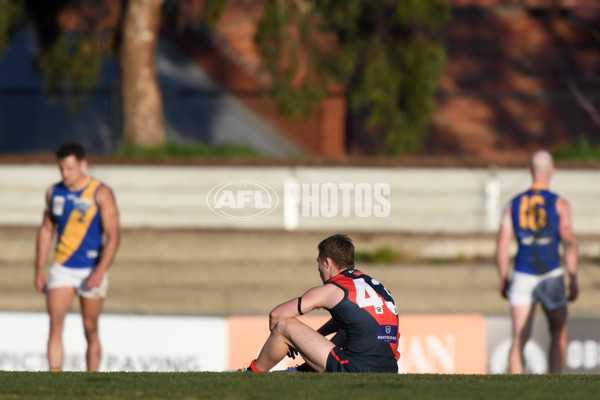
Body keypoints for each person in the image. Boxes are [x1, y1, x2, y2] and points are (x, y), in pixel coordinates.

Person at [242, 234, 400, 373]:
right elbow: (354, 321)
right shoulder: (373, 284)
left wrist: (288, 341)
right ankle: (305, 370)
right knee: (348, 330)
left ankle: (253, 372)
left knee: (284, 326)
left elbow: (277, 315)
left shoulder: (333, 289)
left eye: (318, 262)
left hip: (355, 367)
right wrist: (309, 340)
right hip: (389, 367)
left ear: (327, 262)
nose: (318, 269)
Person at [34, 142, 120, 371]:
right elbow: (46, 230)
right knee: (55, 322)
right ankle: (54, 380)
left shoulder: (100, 193)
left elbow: (113, 235)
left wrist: (100, 271)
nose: (66, 174)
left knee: (90, 327)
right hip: (62, 267)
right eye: (62, 169)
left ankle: (92, 379)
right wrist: (39, 269)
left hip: (90, 269)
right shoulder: (54, 192)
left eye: (70, 169)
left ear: (83, 164)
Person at [496, 149, 578, 374]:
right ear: (552, 171)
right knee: (558, 333)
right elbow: (569, 241)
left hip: (522, 273)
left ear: (529, 171)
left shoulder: (513, 204)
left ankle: (515, 391)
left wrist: (504, 278)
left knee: (519, 337)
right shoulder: (560, 204)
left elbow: (503, 244)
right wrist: (573, 276)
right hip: (551, 273)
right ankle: (555, 388)